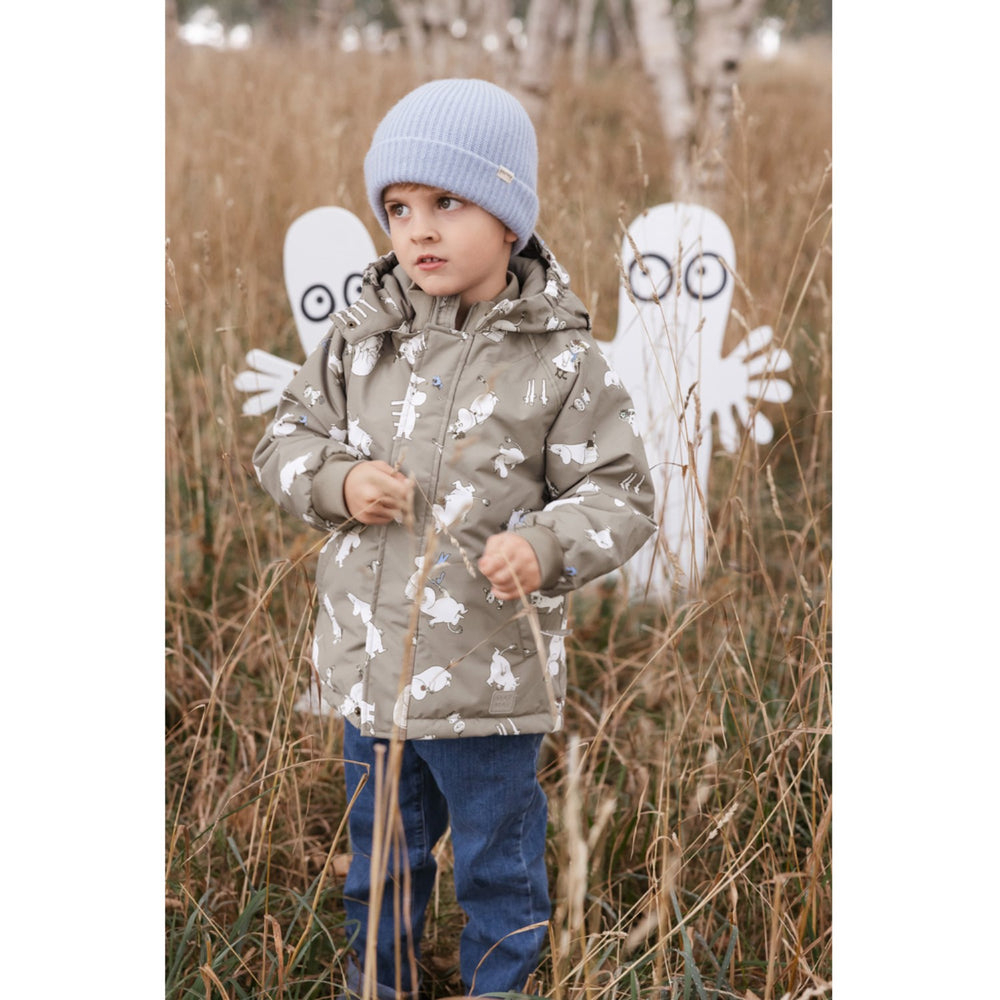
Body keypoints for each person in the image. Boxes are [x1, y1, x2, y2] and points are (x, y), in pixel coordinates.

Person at [252, 77, 657, 999]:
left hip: (491, 682)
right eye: (398, 209)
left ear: (509, 219)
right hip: (371, 678)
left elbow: (620, 492)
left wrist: (547, 545)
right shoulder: (361, 339)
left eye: (447, 202)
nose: (419, 230)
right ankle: (380, 984)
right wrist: (339, 481)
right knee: (381, 864)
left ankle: (498, 986)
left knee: (496, 865)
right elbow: (284, 440)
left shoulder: (561, 358)